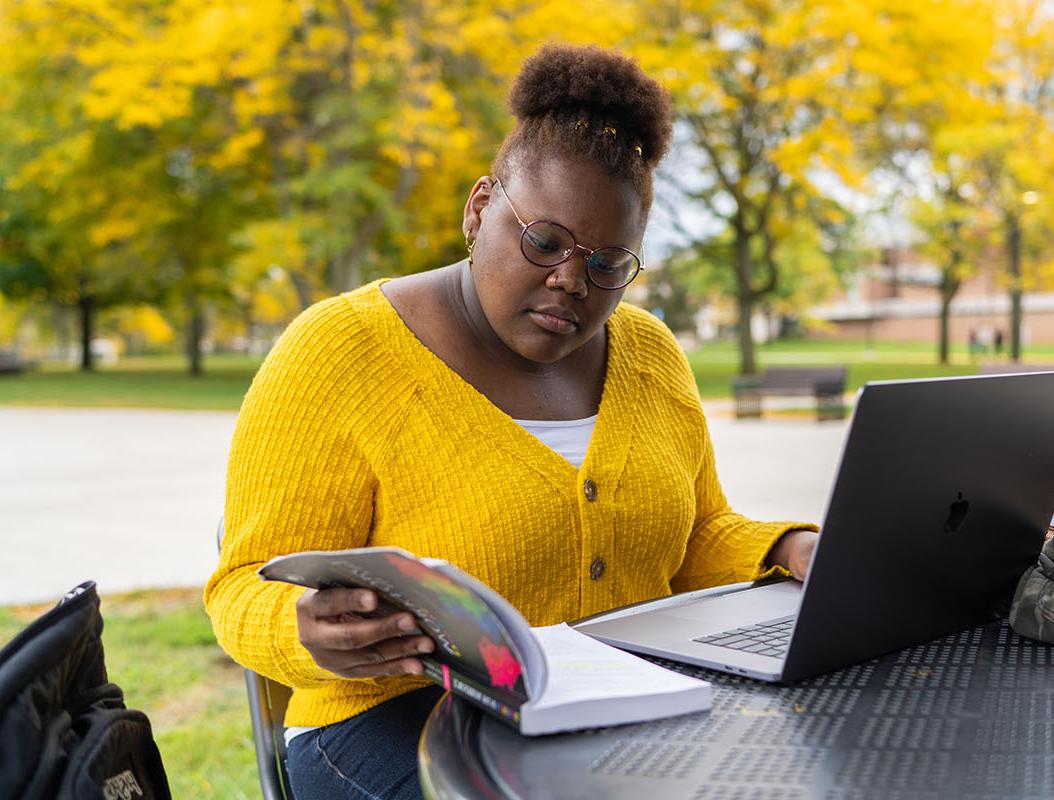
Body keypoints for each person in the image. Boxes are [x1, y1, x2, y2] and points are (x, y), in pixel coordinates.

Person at [204, 44, 819, 800]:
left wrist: (790, 547)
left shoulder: (651, 355)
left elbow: (695, 536)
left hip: (618, 713)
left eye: (607, 265)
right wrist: (306, 628)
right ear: (480, 207)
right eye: (546, 242)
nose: (570, 280)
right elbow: (241, 587)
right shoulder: (340, 351)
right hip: (387, 725)